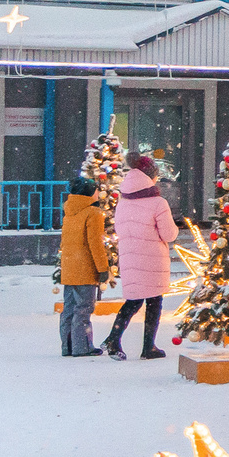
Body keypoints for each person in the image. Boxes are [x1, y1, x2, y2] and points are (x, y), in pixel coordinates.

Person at [103, 155, 181, 361]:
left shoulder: (123, 201)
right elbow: (169, 234)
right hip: (152, 258)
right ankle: (148, 346)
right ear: (150, 177)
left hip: (129, 257)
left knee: (134, 300)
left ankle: (114, 337)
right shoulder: (158, 202)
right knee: (154, 302)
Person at [58, 175, 109, 357]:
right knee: (84, 308)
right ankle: (82, 347)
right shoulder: (93, 213)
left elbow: (65, 242)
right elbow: (95, 244)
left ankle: (68, 346)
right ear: (90, 193)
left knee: (69, 308)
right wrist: (103, 268)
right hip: (85, 268)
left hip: (70, 266)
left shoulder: (69, 211)